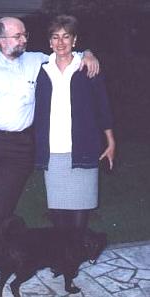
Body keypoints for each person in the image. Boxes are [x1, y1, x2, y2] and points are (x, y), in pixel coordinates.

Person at [0, 16, 100, 274]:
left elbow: (66, 53)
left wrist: (88, 53)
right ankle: (0, 251)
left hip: (21, 145)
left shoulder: (36, 60)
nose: (25, 40)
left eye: (25, 35)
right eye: (18, 36)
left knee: (0, 204)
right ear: (1, 40)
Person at [34, 15, 115, 241]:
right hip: (53, 152)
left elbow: (103, 106)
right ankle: (64, 260)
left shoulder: (87, 67)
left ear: (74, 40)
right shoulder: (41, 70)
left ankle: (75, 257)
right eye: (55, 37)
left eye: (66, 37)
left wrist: (111, 140)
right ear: (49, 42)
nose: (60, 43)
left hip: (83, 148)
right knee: (58, 214)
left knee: (80, 214)